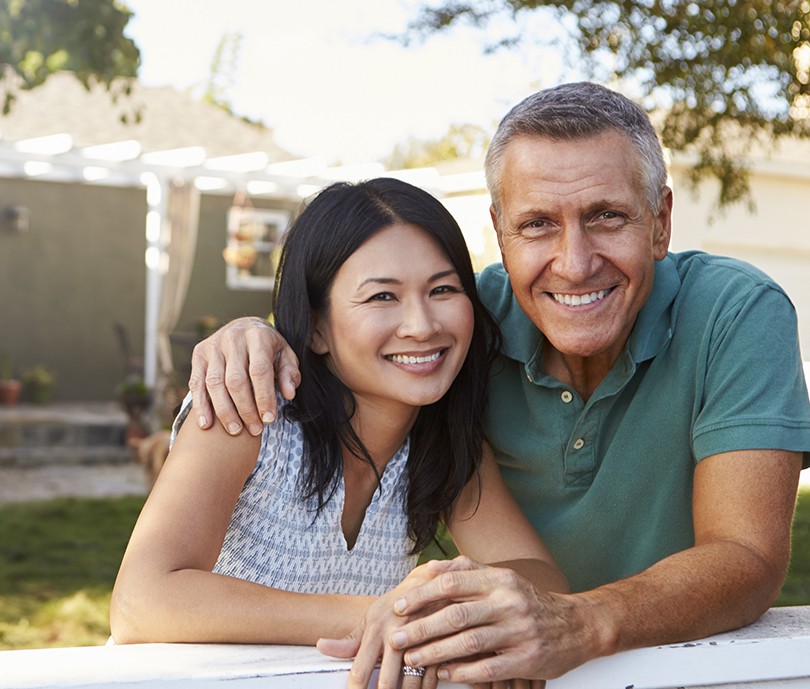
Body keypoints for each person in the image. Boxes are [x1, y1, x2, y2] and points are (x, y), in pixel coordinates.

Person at [187, 81, 810, 686]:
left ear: (661, 221)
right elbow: (352, 330)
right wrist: (257, 334)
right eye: (538, 223)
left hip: (675, 669)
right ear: (500, 232)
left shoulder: (736, 313)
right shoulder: (464, 325)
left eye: (607, 216)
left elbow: (747, 557)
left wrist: (580, 622)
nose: (574, 262)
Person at [110, 178, 566, 688]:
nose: (420, 325)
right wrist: (386, 615)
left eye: (442, 290)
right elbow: (142, 601)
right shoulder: (248, 410)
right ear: (317, 326)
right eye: (381, 297)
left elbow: (544, 583)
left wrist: (443, 606)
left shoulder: (443, 444)